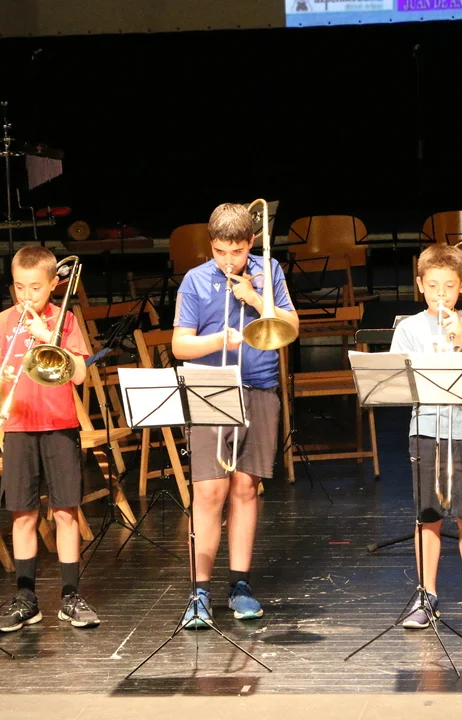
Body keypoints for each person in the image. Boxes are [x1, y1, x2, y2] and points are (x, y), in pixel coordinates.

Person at [171, 202, 298, 626]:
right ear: (211, 245)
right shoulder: (195, 279)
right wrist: (217, 342)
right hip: (211, 388)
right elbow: (180, 345)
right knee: (209, 492)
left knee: (245, 488)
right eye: (220, 252)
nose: (229, 261)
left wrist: (256, 298)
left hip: (259, 386)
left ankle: (240, 585)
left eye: (237, 252)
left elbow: (291, 328)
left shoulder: (268, 270)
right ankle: (199, 591)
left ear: (250, 243)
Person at [0, 246, 100, 632]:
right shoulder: (1, 322)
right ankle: (25, 597)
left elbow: (79, 375)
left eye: (35, 288)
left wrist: (50, 337)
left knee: (66, 511)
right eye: (19, 287)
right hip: (18, 426)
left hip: (59, 424)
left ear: (52, 285)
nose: (27, 296)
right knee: (23, 513)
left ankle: (70, 595)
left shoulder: (65, 320)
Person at [390, 243, 462, 630]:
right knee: (428, 517)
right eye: (433, 285)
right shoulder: (409, 328)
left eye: (449, 286)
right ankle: (427, 594)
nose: (441, 294)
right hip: (426, 429)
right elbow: (397, 382)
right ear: (420, 284)